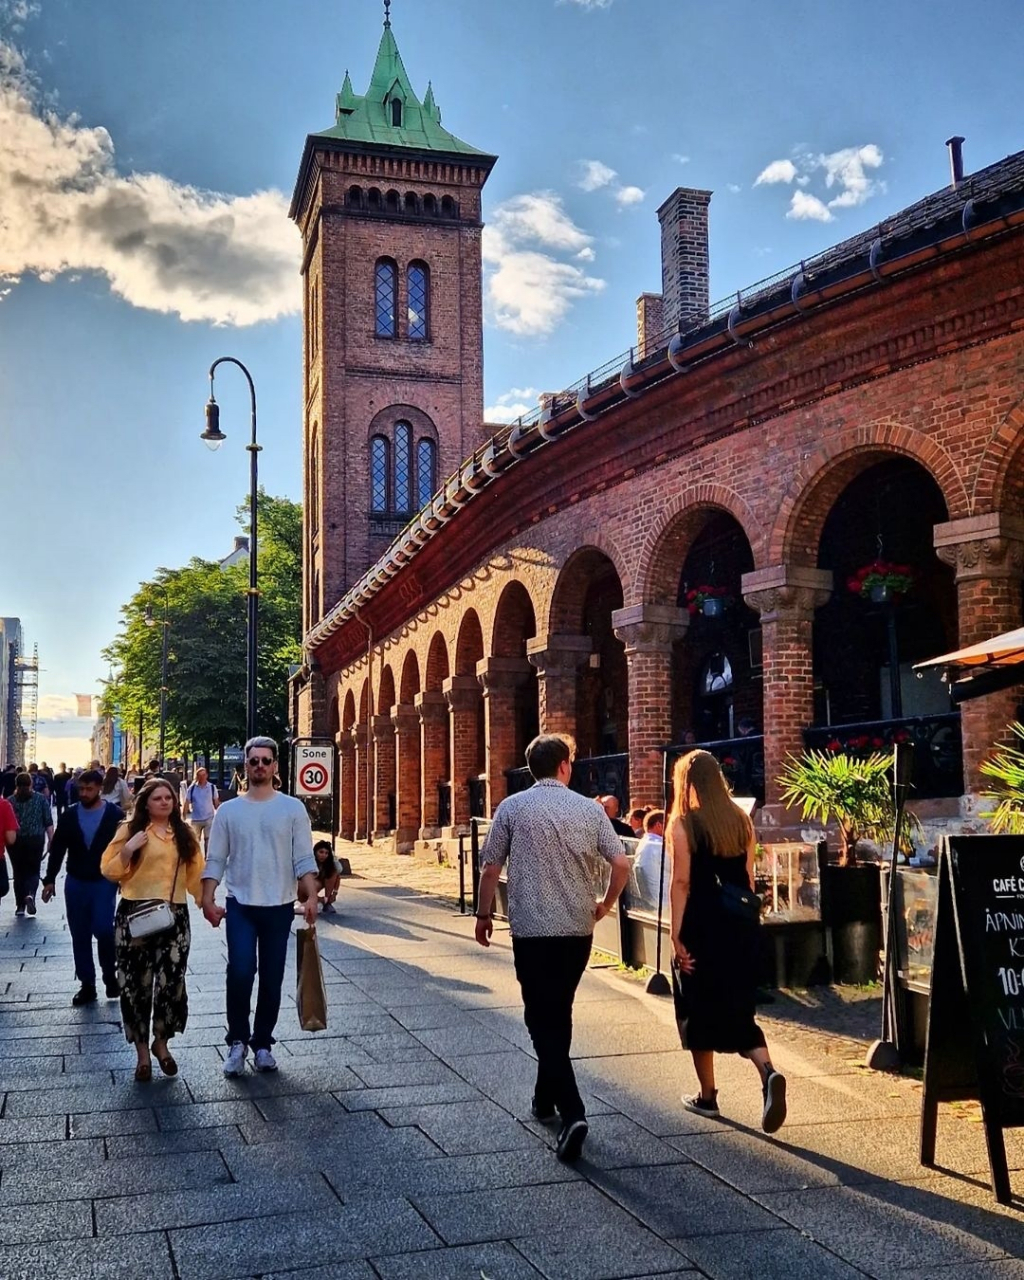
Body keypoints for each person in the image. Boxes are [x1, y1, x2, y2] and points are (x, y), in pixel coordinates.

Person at [476, 733, 631, 1163]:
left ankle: (573, 1111)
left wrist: (484, 913)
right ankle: (545, 1099)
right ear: (565, 766)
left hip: (531, 930)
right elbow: (621, 862)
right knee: (557, 1011)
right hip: (578, 929)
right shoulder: (589, 809)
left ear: (532, 768)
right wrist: (607, 903)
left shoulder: (512, 808)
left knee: (538, 1016)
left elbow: (491, 867)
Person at [667, 749, 786, 1133]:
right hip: (740, 927)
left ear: (686, 784)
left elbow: (682, 882)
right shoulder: (741, 820)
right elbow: (749, 880)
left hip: (702, 926)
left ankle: (708, 1096)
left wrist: (675, 934)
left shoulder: (684, 824)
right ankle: (767, 1072)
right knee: (739, 1009)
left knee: (696, 1007)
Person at [201, 736, 319, 1077]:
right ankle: (237, 1041)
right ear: (246, 766)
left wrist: (311, 896)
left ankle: (263, 1042)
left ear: (275, 766)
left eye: (266, 761)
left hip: (279, 906)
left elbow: (303, 858)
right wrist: (208, 898)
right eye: (254, 761)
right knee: (239, 972)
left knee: (271, 978)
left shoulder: (292, 808)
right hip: (240, 904)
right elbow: (216, 858)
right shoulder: (229, 811)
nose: (260, 766)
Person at [101, 779, 205, 1082]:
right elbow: (108, 870)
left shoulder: (184, 834)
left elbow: (196, 874)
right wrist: (127, 851)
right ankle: (143, 1054)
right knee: (136, 985)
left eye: (168, 798)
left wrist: (206, 903)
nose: (164, 802)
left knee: (172, 981)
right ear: (145, 803)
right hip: (135, 915)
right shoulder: (130, 831)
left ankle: (163, 1042)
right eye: (157, 798)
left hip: (174, 916)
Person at [42, 769, 124, 1005]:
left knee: (103, 929)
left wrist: (125, 878)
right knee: (80, 933)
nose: (85, 793)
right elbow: (58, 849)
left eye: (89, 789)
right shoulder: (69, 816)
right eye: (82, 789)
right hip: (76, 881)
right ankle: (87, 983)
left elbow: (124, 850)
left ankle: (110, 975)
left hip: (104, 881)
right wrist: (49, 879)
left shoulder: (114, 815)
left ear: (100, 788)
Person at [9, 772, 53, 917]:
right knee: (33, 870)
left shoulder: (11, 801)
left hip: (16, 840)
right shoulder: (40, 799)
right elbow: (48, 821)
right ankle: (30, 895)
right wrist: (51, 840)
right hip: (35, 839)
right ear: (31, 784)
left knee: (18, 872)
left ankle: (20, 906)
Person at [633, 809, 667, 912]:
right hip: (665, 904)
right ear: (659, 825)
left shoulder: (644, 842)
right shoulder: (658, 846)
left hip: (653, 902)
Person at [183, 766, 219, 853]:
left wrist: (219, 814)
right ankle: (196, 858)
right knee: (195, 841)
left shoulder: (212, 787)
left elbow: (216, 801)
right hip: (196, 819)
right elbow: (187, 802)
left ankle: (207, 859)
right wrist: (183, 815)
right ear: (197, 776)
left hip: (209, 817)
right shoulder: (192, 788)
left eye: (203, 775)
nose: (202, 777)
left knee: (208, 840)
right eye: (199, 775)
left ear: (206, 775)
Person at [312, 839, 340, 913]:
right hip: (307, 889)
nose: (323, 855)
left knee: (333, 873)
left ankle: (327, 902)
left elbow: (338, 874)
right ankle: (314, 902)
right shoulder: (310, 863)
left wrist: (334, 894)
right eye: (321, 852)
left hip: (320, 884)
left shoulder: (328, 865)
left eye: (326, 853)